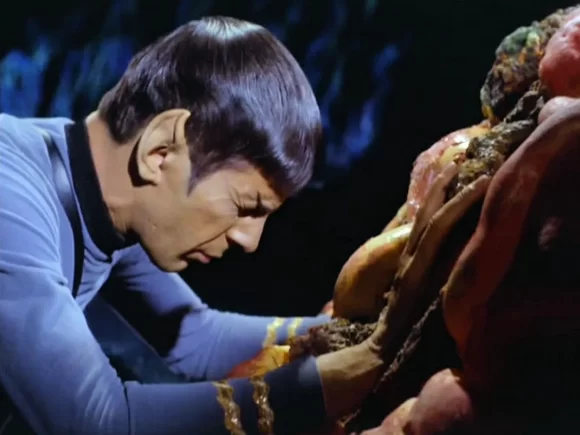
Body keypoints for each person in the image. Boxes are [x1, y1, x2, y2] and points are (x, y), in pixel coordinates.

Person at [0, 15, 488, 435]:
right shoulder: (10, 198)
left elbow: (194, 336)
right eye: (245, 205)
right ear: (161, 151)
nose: (249, 240)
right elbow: (98, 423)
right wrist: (333, 380)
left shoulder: (109, 197)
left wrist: (361, 329)